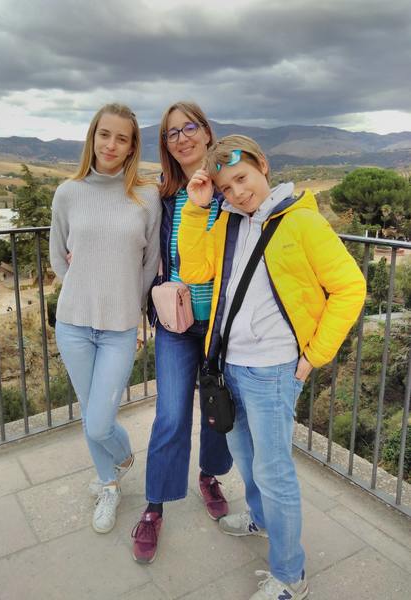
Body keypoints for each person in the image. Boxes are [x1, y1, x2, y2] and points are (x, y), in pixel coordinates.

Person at [178, 135, 366, 600]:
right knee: (246, 459)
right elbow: (196, 271)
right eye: (226, 187)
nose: (238, 193)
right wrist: (197, 211)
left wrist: (314, 355)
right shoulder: (227, 222)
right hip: (230, 365)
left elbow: (350, 287)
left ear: (262, 165)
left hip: (274, 372)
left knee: (275, 472)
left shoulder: (303, 222)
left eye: (242, 178)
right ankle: (260, 518)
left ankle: (289, 575)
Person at [49, 103, 161, 535]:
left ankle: (123, 454)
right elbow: (58, 257)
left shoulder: (146, 196)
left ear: (132, 146)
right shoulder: (68, 193)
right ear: (93, 137)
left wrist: (129, 307)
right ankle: (109, 485)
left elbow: (149, 264)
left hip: (119, 329)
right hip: (73, 324)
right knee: (89, 412)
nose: (111, 145)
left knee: (99, 421)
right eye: (105, 134)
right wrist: (85, 284)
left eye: (122, 138)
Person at [131, 102, 233, 563]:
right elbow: (134, 237)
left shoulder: (230, 189)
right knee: (171, 415)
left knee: (217, 407)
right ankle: (155, 505)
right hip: (176, 323)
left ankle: (209, 476)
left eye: (189, 127)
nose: (182, 138)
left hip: (222, 325)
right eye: (172, 133)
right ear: (166, 145)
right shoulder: (164, 196)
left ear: (207, 132)